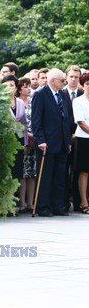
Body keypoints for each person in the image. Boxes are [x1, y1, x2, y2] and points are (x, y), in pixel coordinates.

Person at [31, 68, 72, 216]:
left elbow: (65, 118)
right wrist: (40, 140)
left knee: (60, 176)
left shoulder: (62, 94)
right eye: (63, 80)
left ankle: (58, 205)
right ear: (53, 81)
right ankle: (43, 206)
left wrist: (67, 140)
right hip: (46, 143)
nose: (65, 83)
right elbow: (36, 121)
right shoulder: (40, 95)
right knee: (46, 176)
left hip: (61, 142)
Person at [1, 75, 29, 213]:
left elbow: (24, 123)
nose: (9, 88)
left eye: (12, 85)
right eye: (7, 85)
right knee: (6, 174)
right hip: (5, 141)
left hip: (18, 140)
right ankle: (5, 205)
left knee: (16, 173)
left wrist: (25, 143)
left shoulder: (19, 103)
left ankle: (12, 204)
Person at [61, 65, 84, 212]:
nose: (74, 80)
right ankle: (63, 202)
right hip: (63, 138)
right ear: (66, 77)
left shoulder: (83, 93)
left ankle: (77, 202)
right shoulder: (60, 93)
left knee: (78, 171)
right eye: (71, 76)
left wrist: (77, 133)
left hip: (80, 137)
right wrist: (68, 135)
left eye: (76, 77)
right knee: (63, 171)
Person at [16, 77, 36, 213]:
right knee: (23, 173)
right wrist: (27, 137)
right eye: (25, 86)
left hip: (35, 141)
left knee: (32, 173)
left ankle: (31, 202)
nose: (28, 88)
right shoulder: (17, 103)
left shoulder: (33, 102)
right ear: (19, 88)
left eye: (29, 86)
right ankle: (22, 202)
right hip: (24, 140)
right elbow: (21, 124)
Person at [72, 72, 89, 213]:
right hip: (83, 138)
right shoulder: (78, 101)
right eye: (88, 84)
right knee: (84, 171)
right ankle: (84, 202)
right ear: (83, 86)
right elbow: (80, 122)